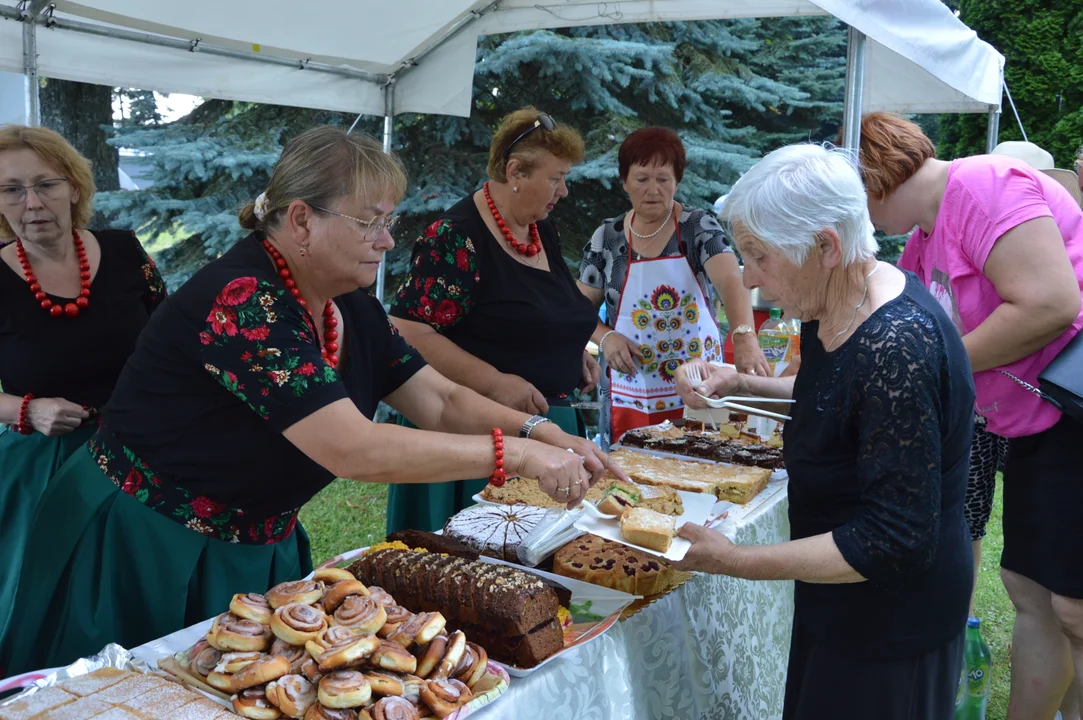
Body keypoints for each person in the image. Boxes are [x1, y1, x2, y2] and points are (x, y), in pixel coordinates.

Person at [0, 126, 621, 675]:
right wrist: (517, 455)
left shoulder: (349, 299)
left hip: (246, 540)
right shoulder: (246, 300)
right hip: (139, 543)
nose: (385, 240)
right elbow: (353, 449)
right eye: (369, 221)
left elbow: (440, 399)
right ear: (301, 220)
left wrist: (542, 431)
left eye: (390, 222)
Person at [673, 143, 975, 719]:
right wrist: (740, 383)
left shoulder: (899, 345)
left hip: (893, 625)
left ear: (827, 247)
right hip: (839, 603)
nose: (751, 280)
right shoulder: (831, 301)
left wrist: (736, 559)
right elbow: (837, 398)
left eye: (759, 258)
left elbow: (893, 541)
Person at [856, 112, 1083, 718]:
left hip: (1076, 412)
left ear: (872, 175)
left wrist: (941, 360)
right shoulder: (922, 239)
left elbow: (1053, 303)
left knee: (1075, 610)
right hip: (1041, 422)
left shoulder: (985, 185)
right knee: (1033, 596)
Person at [386, 107, 600, 533]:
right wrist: (493, 382)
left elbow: (541, 309)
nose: (565, 191)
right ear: (515, 170)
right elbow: (408, 330)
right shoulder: (454, 237)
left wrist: (569, 350)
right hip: (478, 435)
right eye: (556, 178)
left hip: (549, 428)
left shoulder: (542, 231)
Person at [0, 125, 166, 652]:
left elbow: (173, 341)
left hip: (141, 449)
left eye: (45, 184)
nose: (32, 202)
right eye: (11, 189)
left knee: (139, 590)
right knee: (50, 609)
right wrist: (27, 409)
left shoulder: (124, 250)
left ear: (74, 187)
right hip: (45, 467)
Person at [576, 127, 767, 447]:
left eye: (663, 179)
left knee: (699, 465)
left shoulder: (698, 228)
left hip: (698, 387)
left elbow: (733, 281)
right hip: (628, 390)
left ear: (677, 181)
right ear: (624, 182)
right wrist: (605, 337)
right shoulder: (606, 237)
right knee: (628, 474)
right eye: (642, 179)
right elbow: (579, 307)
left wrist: (744, 335)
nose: (653, 189)